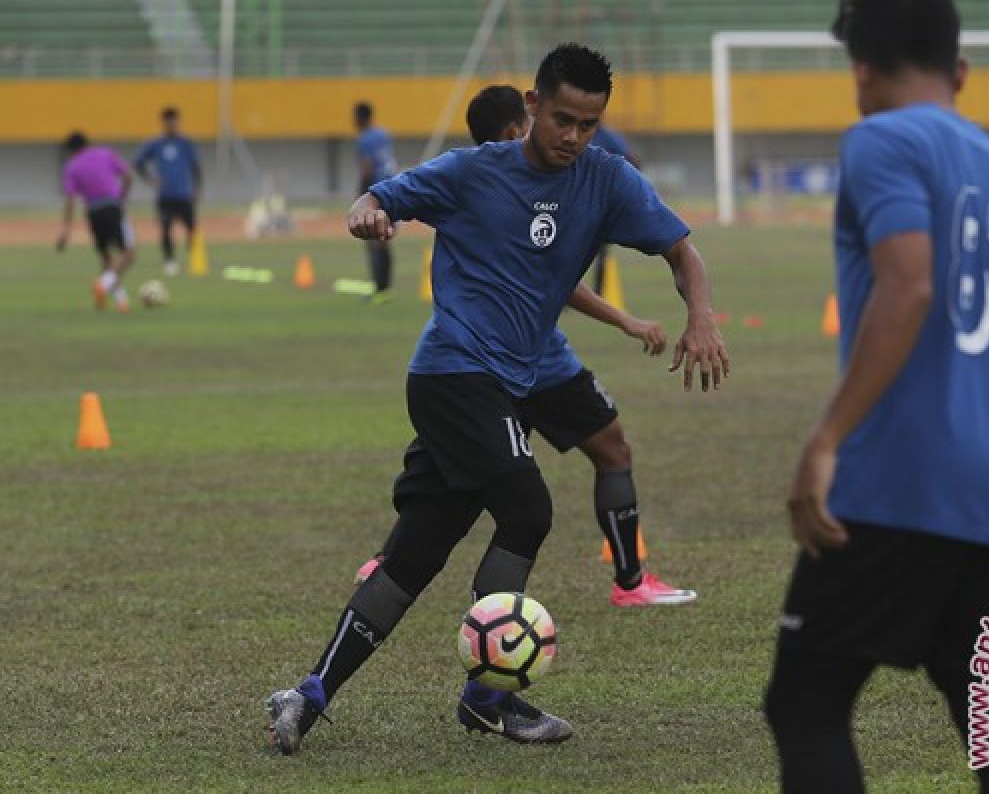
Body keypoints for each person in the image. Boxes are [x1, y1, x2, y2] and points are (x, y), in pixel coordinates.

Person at [264, 43, 728, 754]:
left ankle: (309, 693)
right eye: (562, 119)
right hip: (452, 376)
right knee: (528, 506)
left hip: (505, 384)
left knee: (417, 554)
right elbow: (379, 195)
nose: (573, 136)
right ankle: (488, 696)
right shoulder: (472, 171)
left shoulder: (605, 181)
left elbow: (682, 251)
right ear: (533, 106)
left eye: (589, 124)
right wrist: (369, 214)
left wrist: (700, 316)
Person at [764, 0, 989, 792]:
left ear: (859, 69)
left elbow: (909, 286)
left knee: (807, 703)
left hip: (903, 482)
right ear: (961, 70)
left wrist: (824, 441)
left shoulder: (880, 140)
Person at [353, 84, 698, 607]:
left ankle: (392, 561)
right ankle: (627, 583)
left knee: (458, 470)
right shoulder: (493, 179)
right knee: (570, 465)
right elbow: (560, 281)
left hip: (490, 359)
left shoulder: (534, 174)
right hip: (513, 361)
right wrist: (627, 320)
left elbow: (558, 277)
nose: (567, 136)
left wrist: (628, 320)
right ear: (518, 127)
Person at [56, 131, 136, 313]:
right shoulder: (104, 153)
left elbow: (70, 200)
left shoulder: (71, 166)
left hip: (93, 213)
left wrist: (66, 229)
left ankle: (121, 302)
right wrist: (123, 195)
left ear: (71, 150)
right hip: (113, 208)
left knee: (106, 258)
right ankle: (103, 284)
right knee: (129, 254)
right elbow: (128, 174)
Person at [133, 107, 201, 277]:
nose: (172, 124)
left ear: (178, 121)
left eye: (174, 120)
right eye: (168, 120)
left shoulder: (186, 143)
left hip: (184, 194)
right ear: (163, 122)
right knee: (165, 229)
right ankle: (170, 262)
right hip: (165, 195)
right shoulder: (155, 144)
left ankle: (195, 260)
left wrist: (197, 189)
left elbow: (196, 167)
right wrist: (150, 179)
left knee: (192, 229)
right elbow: (137, 163)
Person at [588, 123, 641, 294]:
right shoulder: (580, 133)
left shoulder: (609, 137)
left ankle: (598, 293)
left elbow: (631, 159)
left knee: (600, 251)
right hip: (577, 200)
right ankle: (565, 295)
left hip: (602, 204)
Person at [354, 102, 398, 304]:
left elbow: (367, 168)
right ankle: (385, 288)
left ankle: (380, 289)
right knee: (384, 239)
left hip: (376, 193)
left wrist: (360, 196)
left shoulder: (364, 139)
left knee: (375, 242)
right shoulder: (383, 134)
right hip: (392, 190)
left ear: (358, 119)